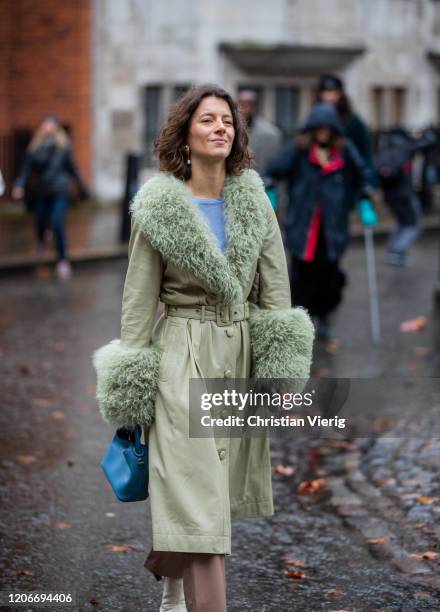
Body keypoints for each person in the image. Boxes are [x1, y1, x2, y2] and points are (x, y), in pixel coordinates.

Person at [92, 84, 314, 612]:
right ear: (185, 136)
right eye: (208, 120)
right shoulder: (159, 207)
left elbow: (277, 293)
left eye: (228, 121)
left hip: (235, 356)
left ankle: (173, 590)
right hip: (180, 356)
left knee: (210, 491)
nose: (221, 128)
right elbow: (138, 302)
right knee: (197, 492)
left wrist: (278, 373)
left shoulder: (254, 201)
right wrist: (132, 390)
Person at [265, 102, 376, 341]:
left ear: (334, 129)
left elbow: (363, 175)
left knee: (329, 276)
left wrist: (364, 198)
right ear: (312, 129)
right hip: (304, 227)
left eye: (328, 128)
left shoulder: (344, 152)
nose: (323, 132)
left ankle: (324, 316)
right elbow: (273, 170)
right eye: (319, 127)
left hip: (332, 228)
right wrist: (270, 190)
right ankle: (302, 320)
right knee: (301, 277)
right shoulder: (298, 150)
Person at [12, 113, 88, 279]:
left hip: (60, 191)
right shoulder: (36, 148)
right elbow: (26, 169)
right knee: (39, 222)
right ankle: (41, 240)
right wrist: (19, 185)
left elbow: (73, 168)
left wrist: (82, 188)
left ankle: (62, 259)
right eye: (46, 125)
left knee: (57, 223)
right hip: (43, 191)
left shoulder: (63, 147)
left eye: (52, 125)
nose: (49, 128)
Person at [316, 74, 380, 202]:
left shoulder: (352, 122)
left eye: (334, 92)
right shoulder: (315, 120)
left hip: (344, 180)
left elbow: (365, 153)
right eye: (326, 92)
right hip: (319, 181)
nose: (330, 97)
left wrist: (370, 184)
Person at [237, 89, 282, 177]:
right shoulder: (230, 130)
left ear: (255, 107)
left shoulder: (271, 134)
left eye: (250, 105)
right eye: (243, 105)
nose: (247, 109)